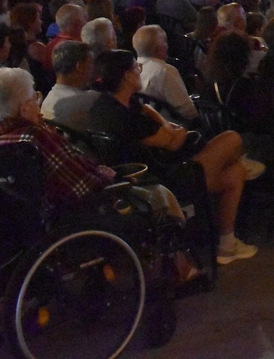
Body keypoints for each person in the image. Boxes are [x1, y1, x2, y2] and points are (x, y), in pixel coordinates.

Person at [86, 50, 259, 264]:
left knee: (235, 174)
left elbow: (157, 120)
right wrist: (172, 127)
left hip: (144, 174)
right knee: (232, 139)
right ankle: (239, 163)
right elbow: (175, 141)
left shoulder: (105, 107)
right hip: (166, 181)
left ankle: (227, 245)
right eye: (136, 68)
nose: (139, 72)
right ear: (127, 76)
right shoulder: (128, 118)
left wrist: (161, 122)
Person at [0, 67, 115, 209]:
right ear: (25, 110)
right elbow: (84, 189)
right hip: (71, 218)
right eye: (35, 98)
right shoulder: (34, 138)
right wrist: (107, 178)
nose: (39, 103)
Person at [134, 25, 199, 123]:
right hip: (172, 126)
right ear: (159, 48)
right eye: (165, 42)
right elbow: (187, 111)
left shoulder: (132, 70)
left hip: (143, 123)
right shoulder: (165, 71)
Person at [40, 41, 102, 131]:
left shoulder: (48, 100)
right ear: (79, 67)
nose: (94, 68)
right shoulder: (88, 100)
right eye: (91, 63)